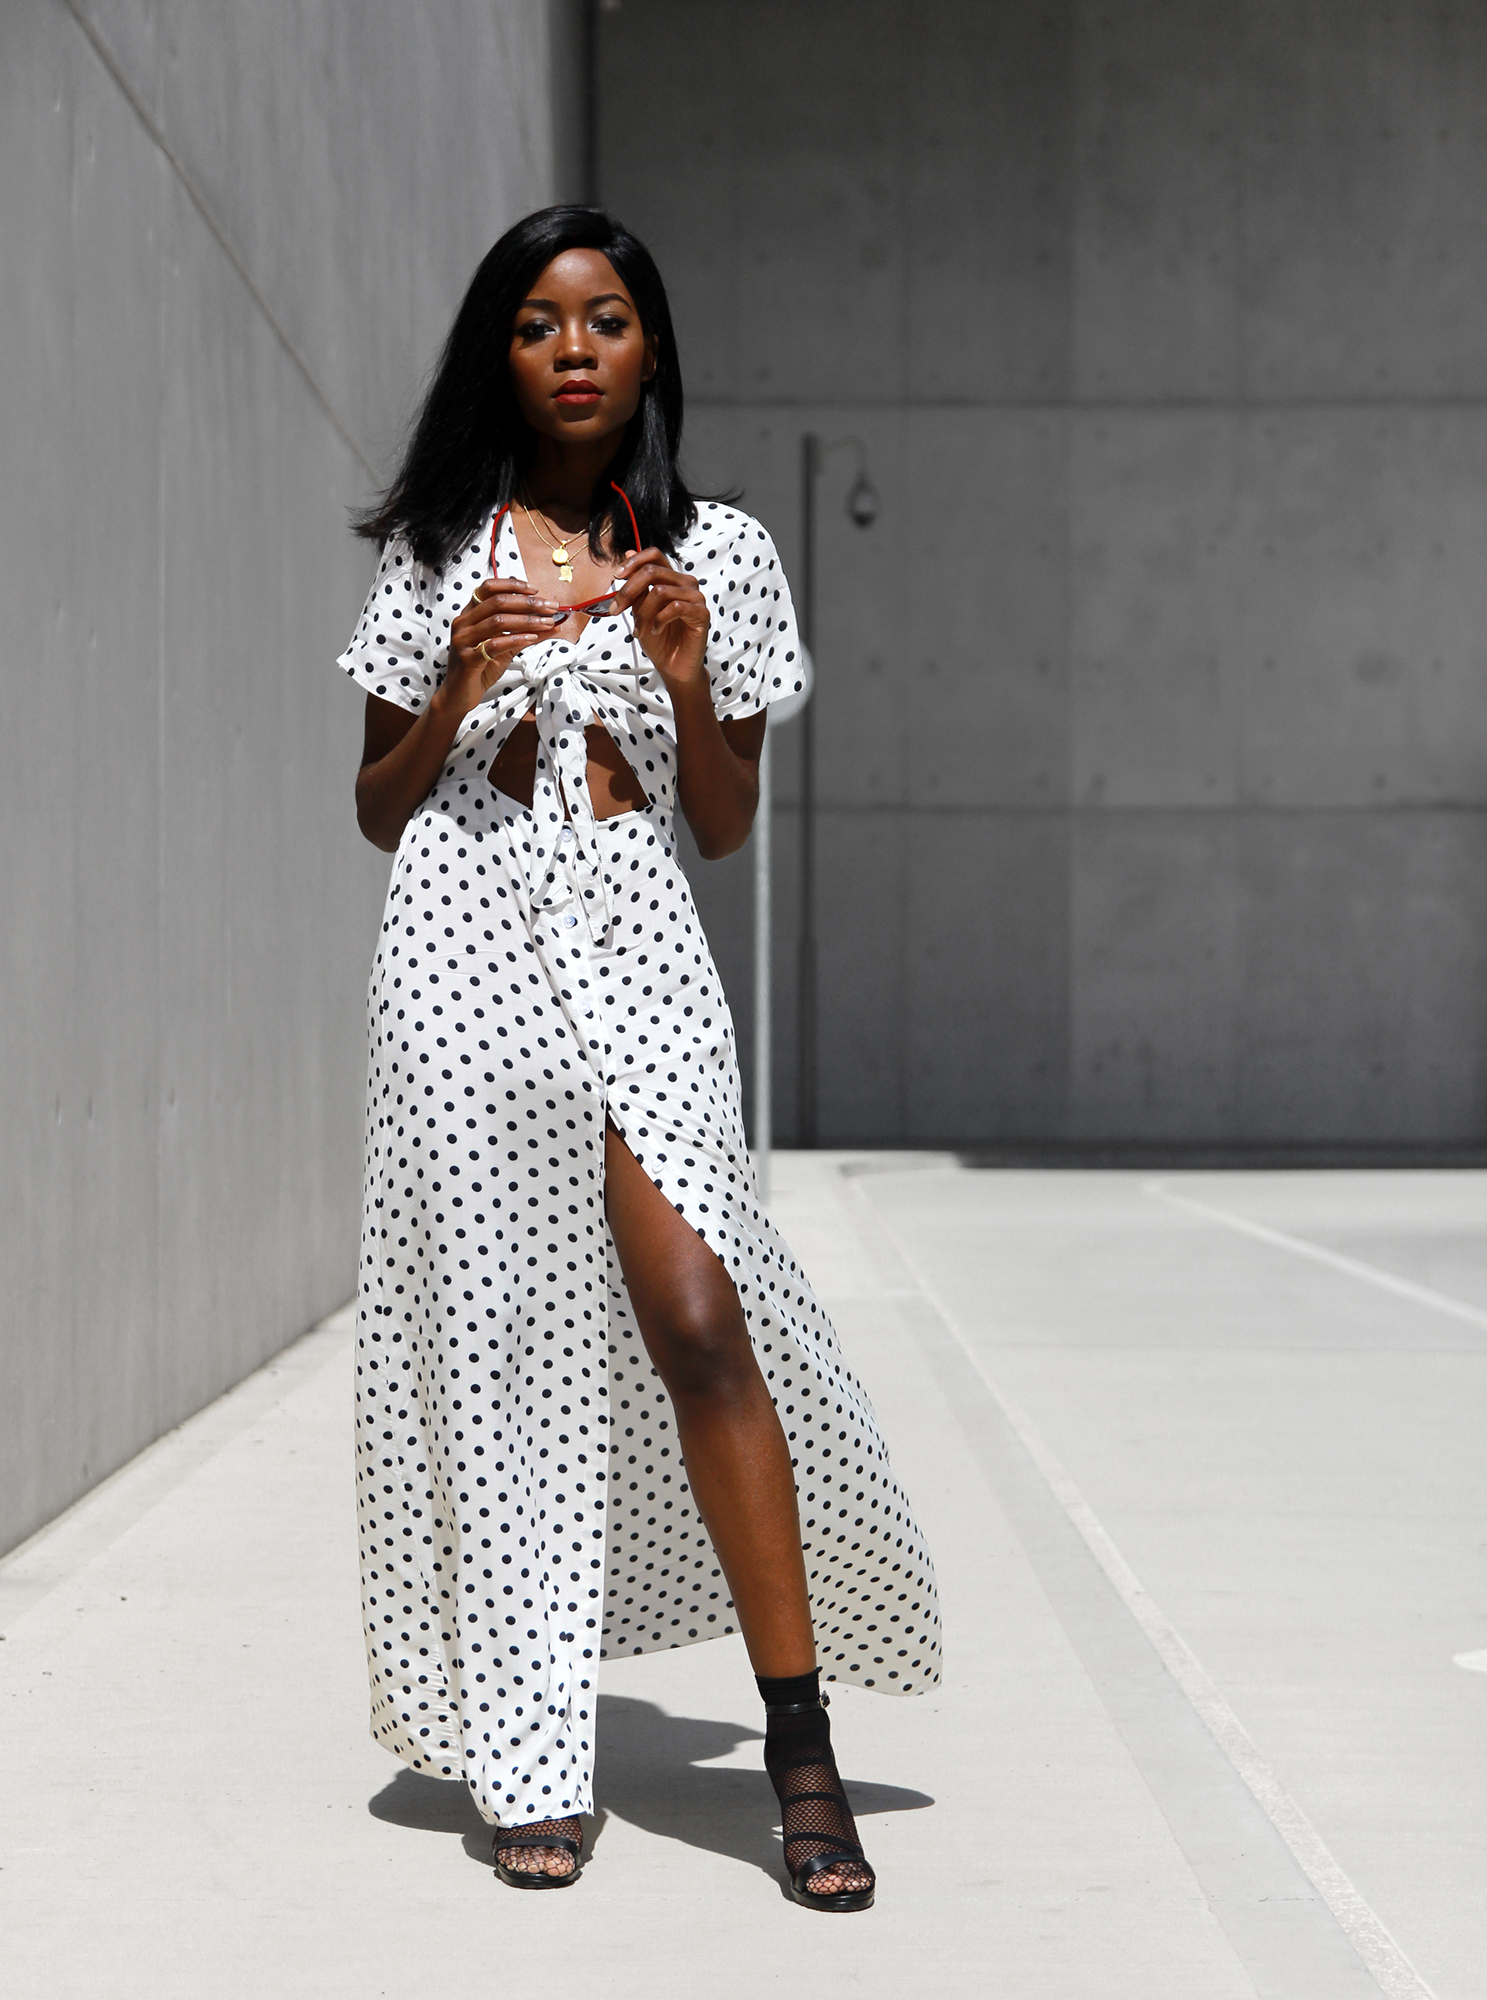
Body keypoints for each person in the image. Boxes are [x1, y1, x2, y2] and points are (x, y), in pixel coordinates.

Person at [338, 205, 940, 1909]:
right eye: (537, 323)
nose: (574, 348)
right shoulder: (439, 551)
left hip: (640, 944)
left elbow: (728, 829)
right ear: (502, 356)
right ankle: (533, 1756)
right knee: (509, 1342)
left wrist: (681, 682)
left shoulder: (724, 555)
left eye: (604, 318)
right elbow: (378, 811)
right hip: (462, 955)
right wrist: (457, 697)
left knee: (698, 1309)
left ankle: (797, 1743)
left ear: (651, 346)